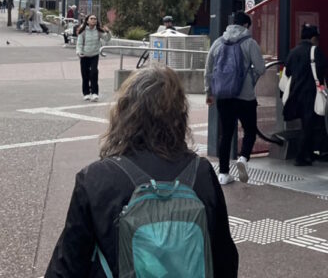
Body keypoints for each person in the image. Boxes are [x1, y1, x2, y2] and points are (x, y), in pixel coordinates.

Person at [45, 65, 239, 278]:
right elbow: (224, 259)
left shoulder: (95, 178)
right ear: (179, 114)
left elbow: (67, 266)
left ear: (123, 112)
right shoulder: (201, 173)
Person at [204, 11, 266, 185]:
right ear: (246, 26)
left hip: (223, 95)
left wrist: (209, 92)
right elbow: (261, 68)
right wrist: (250, 77)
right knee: (250, 131)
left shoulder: (218, 42)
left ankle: (223, 174)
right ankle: (243, 158)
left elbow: (208, 69)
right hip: (245, 96)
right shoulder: (249, 43)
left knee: (226, 134)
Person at [282, 24, 327, 166]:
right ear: (313, 38)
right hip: (311, 94)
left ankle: (306, 154)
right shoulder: (315, 51)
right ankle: (302, 156)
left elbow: (288, 71)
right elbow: (322, 70)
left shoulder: (293, 52)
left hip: (295, 93)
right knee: (310, 126)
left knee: (304, 124)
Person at [76, 14, 112, 102]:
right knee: (85, 75)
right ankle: (86, 93)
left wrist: (108, 32)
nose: (93, 20)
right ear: (87, 21)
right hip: (84, 55)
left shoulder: (98, 31)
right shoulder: (83, 31)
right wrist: (79, 52)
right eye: (91, 19)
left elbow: (107, 39)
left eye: (95, 19)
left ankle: (95, 93)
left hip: (94, 55)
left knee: (93, 73)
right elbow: (79, 43)